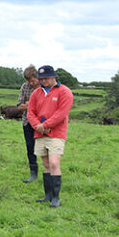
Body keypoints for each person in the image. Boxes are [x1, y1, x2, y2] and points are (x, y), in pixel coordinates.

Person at [27, 65, 74, 208]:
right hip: (39, 133)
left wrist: (46, 125)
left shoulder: (65, 92)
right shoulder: (36, 93)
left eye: (46, 78)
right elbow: (30, 112)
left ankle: (56, 197)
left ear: (54, 77)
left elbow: (61, 113)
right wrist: (37, 126)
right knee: (46, 165)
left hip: (56, 133)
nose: (44, 81)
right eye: (41, 78)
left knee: (54, 163)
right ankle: (48, 195)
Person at [16, 65, 41, 183]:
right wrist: (33, 105)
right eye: (28, 81)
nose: (31, 83)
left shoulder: (45, 86)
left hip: (43, 123)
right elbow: (19, 106)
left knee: (46, 147)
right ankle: (33, 173)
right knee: (30, 148)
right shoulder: (24, 87)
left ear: (37, 77)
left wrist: (29, 104)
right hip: (27, 122)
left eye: (32, 80)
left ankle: (50, 172)